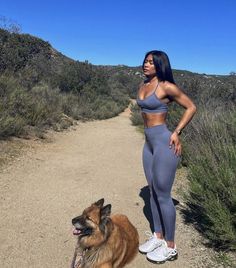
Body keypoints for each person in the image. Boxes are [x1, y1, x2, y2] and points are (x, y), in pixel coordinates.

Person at [136, 50, 197, 263]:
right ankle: (158, 236)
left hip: (164, 143)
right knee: (152, 191)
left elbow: (191, 107)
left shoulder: (166, 86)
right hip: (149, 145)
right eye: (145, 61)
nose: (146, 64)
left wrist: (177, 131)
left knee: (163, 194)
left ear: (160, 65)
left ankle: (170, 246)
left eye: (151, 62)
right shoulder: (143, 85)